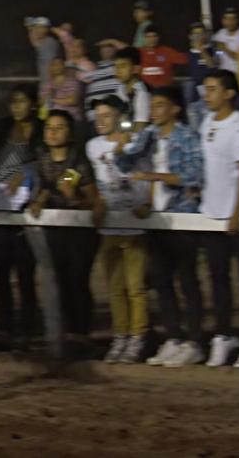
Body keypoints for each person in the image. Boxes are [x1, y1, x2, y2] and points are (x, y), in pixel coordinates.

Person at [116, 85, 205, 368]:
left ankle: (195, 342)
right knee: (163, 282)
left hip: (183, 216)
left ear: (175, 109)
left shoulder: (187, 136)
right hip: (157, 216)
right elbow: (127, 165)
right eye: (152, 106)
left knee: (187, 282)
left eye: (160, 106)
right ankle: (174, 339)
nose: (153, 111)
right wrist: (121, 148)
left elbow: (194, 175)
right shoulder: (150, 136)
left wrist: (152, 175)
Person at [197, 69, 239, 368]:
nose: (206, 94)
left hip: (237, 217)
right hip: (211, 216)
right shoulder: (207, 121)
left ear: (228, 93)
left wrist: (236, 213)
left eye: (211, 89)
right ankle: (223, 335)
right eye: (205, 89)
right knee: (218, 280)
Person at [86, 95, 151, 364]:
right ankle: (120, 335)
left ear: (119, 118)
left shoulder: (136, 145)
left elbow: (147, 173)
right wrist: (90, 198)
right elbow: (80, 173)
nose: (101, 121)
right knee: (114, 288)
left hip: (134, 225)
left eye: (107, 116)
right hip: (109, 225)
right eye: (97, 117)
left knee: (135, 287)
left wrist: (145, 203)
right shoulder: (92, 147)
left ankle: (138, 337)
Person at [27, 110, 100, 344]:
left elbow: (93, 199)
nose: (53, 132)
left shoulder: (78, 161)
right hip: (54, 227)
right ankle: (66, 333)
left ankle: (82, 332)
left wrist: (74, 199)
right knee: (59, 279)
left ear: (70, 133)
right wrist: (39, 200)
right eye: (49, 127)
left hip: (80, 229)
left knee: (78, 279)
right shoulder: (41, 158)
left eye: (59, 128)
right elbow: (46, 187)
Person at [0, 84, 41, 346]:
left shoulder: (45, 130)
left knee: (26, 273)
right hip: (0, 207)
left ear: (33, 103)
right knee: (0, 273)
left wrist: (28, 176)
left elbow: (65, 169)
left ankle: (30, 328)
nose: (16, 106)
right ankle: (5, 326)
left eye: (21, 101)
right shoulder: (1, 129)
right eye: (13, 102)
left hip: (31, 210)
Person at [83, 39, 125, 124]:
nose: (107, 49)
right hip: (94, 118)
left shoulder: (120, 66)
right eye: (104, 47)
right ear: (100, 51)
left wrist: (113, 41)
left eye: (110, 47)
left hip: (113, 117)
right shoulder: (93, 69)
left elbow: (132, 52)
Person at [185, 22, 216, 130]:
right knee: (194, 128)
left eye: (201, 33)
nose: (198, 36)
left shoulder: (212, 50)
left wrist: (202, 49)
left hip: (210, 95)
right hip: (195, 96)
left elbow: (212, 65)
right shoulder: (189, 53)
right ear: (190, 36)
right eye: (195, 34)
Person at [113, 47, 150, 131]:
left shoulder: (142, 93)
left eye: (123, 66)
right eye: (116, 67)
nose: (118, 71)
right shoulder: (119, 90)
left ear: (136, 69)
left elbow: (140, 127)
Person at [27, 16, 60, 90]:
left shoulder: (50, 42)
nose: (37, 31)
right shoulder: (41, 43)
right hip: (45, 80)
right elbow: (34, 40)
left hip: (53, 80)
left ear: (46, 29)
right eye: (36, 28)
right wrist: (30, 27)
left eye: (40, 28)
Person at [212, 7, 239, 73]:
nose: (230, 21)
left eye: (233, 19)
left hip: (238, 74)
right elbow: (215, 51)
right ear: (223, 21)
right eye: (227, 19)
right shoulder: (219, 34)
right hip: (223, 73)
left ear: (237, 20)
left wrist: (224, 48)